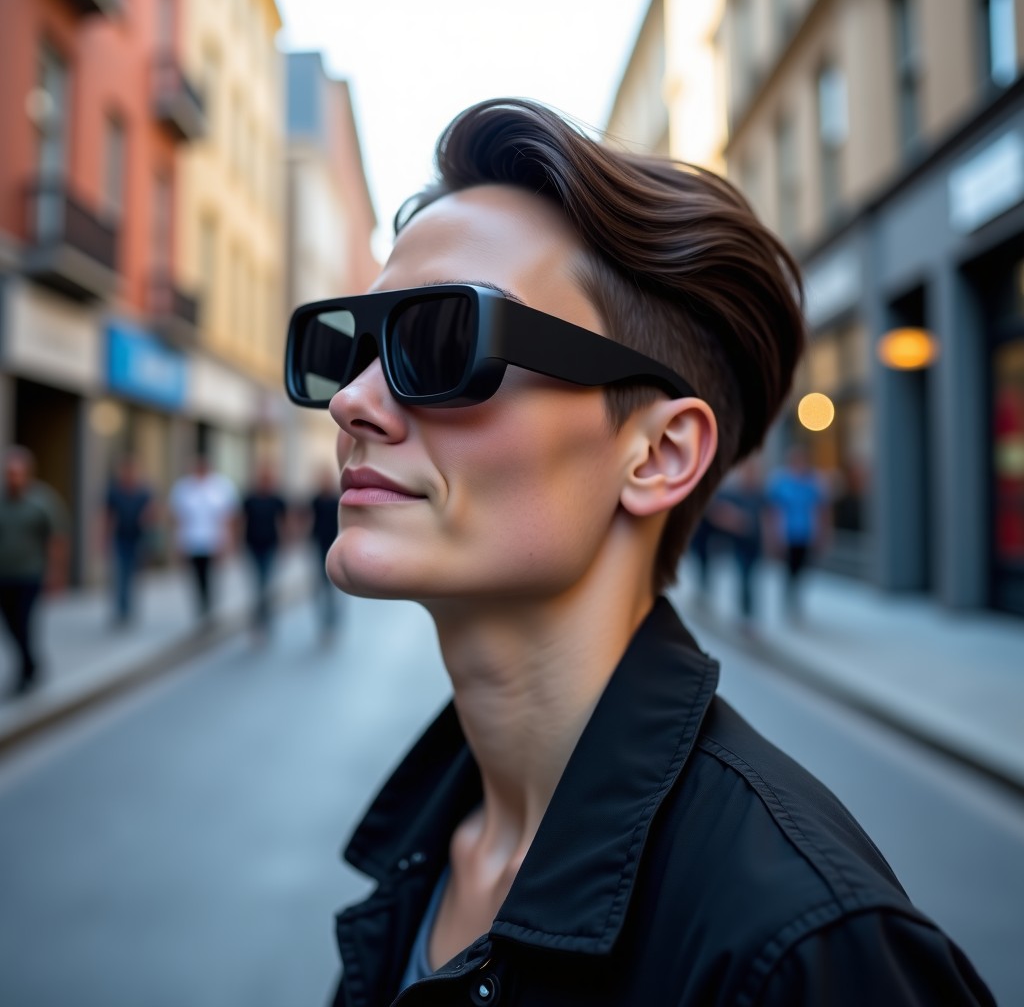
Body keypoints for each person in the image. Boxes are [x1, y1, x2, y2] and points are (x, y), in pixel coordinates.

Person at [285, 99, 994, 1005]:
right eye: (349, 352)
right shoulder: (429, 846)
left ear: (657, 456)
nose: (352, 403)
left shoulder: (806, 949)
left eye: (441, 341)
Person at [0, 446, 68, 696]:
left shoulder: (42, 501)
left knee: (24, 623)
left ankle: (23, 674)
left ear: (27, 473)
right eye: (9, 473)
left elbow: (57, 539)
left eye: (18, 473)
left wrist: (55, 573)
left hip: (30, 574)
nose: (13, 478)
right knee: (10, 625)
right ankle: (32, 665)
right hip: (4, 575)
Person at [168, 455, 237, 624]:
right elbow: (178, 518)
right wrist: (178, 543)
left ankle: (210, 606)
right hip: (192, 540)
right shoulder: (184, 487)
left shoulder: (221, 486)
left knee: (212, 575)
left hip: (214, 540)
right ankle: (202, 606)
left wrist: (228, 541)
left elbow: (228, 517)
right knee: (197, 575)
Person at [766, 444, 831, 617]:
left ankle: (796, 598)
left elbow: (821, 509)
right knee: (789, 568)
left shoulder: (813, 482)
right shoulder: (781, 482)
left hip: (806, 534)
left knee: (802, 568)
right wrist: (773, 535)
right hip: (787, 534)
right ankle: (788, 599)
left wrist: (822, 534)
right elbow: (773, 511)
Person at [712, 457, 768, 626]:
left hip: (755, 543)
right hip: (739, 544)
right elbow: (717, 513)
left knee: (753, 578)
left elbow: (768, 517)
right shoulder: (733, 494)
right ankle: (745, 612)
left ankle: (751, 612)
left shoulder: (760, 494)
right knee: (744, 577)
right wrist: (736, 521)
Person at [103, 453, 154, 626]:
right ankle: (121, 610)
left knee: (132, 575)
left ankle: (129, 607)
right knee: (120, 575)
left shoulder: (143, 492)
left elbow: (153, 514)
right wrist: (103, 539)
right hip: (120, 538)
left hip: (138, 539)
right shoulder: (114, 491)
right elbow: (107, 516)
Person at [240, 462, 288, 639]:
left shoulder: (277, 499)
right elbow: (241, 521)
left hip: (270, 545)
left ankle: (265, 621)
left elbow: (283, 523)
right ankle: (258, 621)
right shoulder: (249, 498)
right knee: (257, 585)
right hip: (252, 545)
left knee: (265, 585)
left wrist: (285, 545)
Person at [308, 464, 342, 642]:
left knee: (333, 588)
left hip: (334, 545)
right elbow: (309, 520)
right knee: (320, 586)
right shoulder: (315, 499)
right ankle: (323, 624)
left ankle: (333, 623)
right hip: (319, 546)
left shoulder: (338, 499)